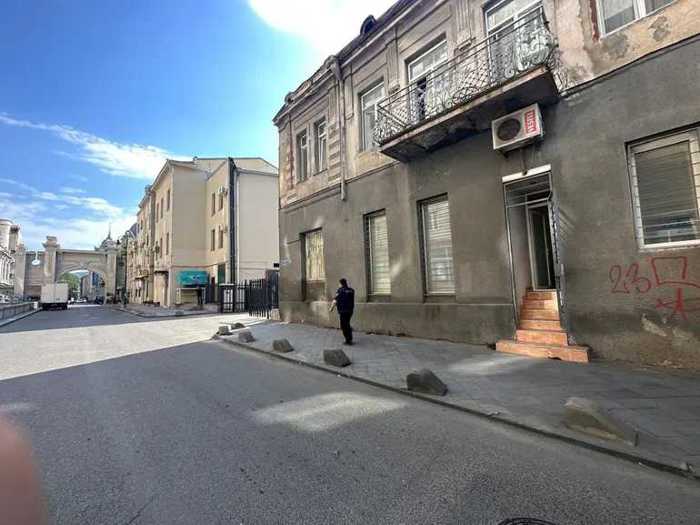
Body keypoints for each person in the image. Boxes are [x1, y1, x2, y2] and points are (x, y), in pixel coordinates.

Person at [330, 278, 355, 345]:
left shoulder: (339, 290)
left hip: (343, 311)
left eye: (339, 284)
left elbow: (335, 300)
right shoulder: (351, 290)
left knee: (343, 325)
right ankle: (349, 337)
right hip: (350, 311)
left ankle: (348, 340)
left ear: (340, 284)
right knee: (347, 323)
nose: (338, 285)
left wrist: (331, 308)